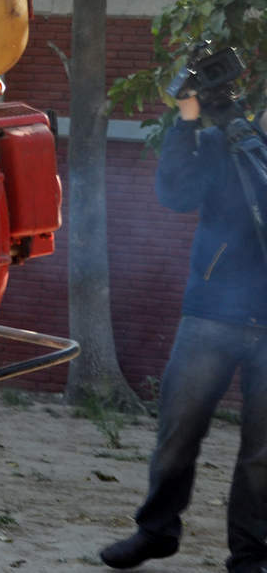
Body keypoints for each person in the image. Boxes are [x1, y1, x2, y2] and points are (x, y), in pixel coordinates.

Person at [99, 91, 267, 572]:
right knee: (177, 434)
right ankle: (156, 531)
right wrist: (186, 121)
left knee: (262, 455)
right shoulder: (224, 144)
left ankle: (251, 556)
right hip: (211, 314)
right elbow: (175, 193)